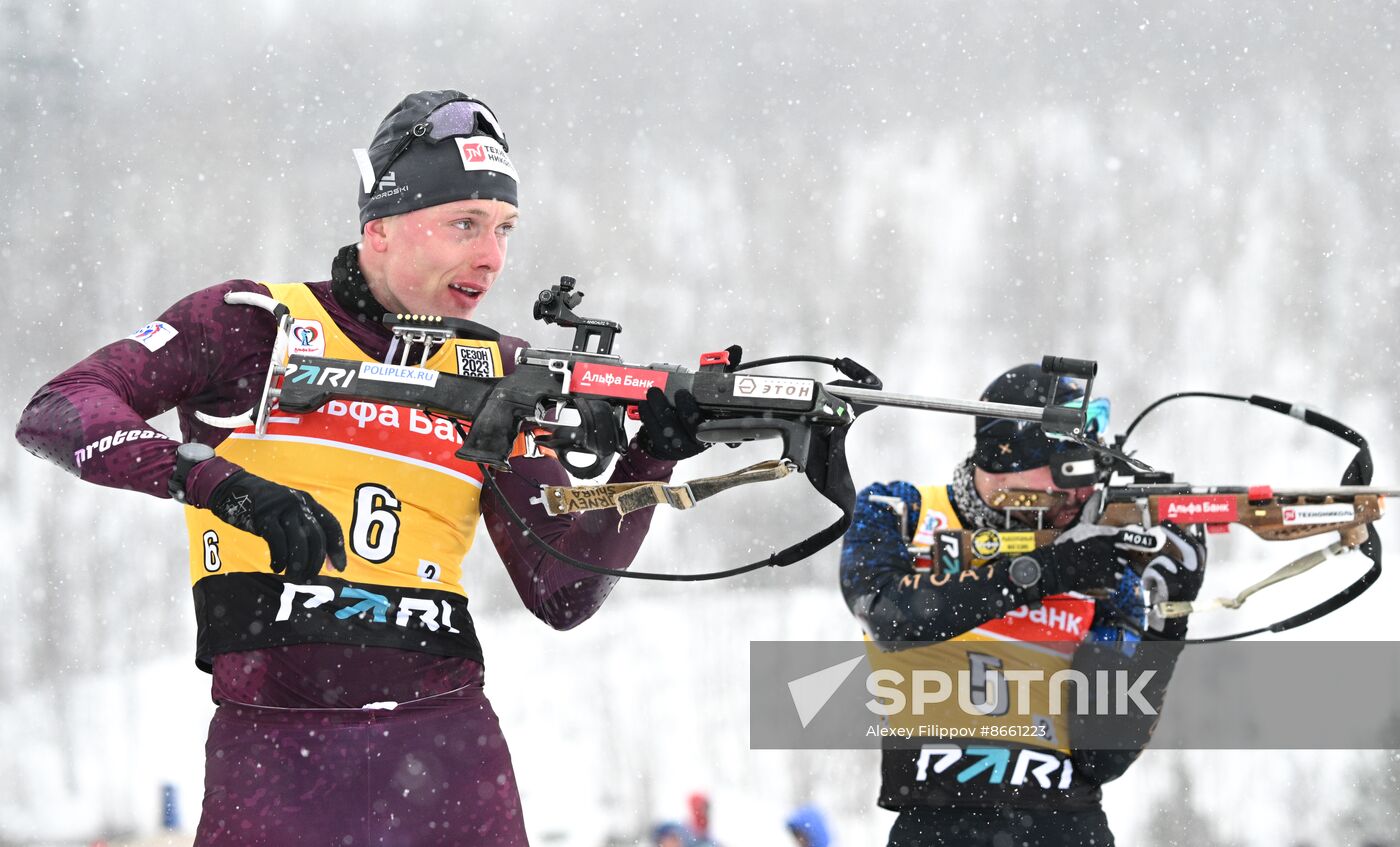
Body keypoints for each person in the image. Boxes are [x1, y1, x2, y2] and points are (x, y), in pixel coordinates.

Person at [16, 90, 713, 846]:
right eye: (464, 224)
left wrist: (655, 450)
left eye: (504, 228)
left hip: (447, 750)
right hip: (276, 749)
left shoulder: (497, 373)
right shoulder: (252, 324)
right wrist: (215, 482)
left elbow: (563, 589)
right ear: (378, 229)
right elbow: (59, 409)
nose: (491, 256)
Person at [840, 364, 1207, 846]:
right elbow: (891, 613)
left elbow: (1103, 755)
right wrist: (1049, 570)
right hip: (936, 824)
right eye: (1066, 472)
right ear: (1008, 460)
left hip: (1067, 825)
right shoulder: (902, 510)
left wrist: (1170, 615)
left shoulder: (1098, 558)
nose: (1079, 494)